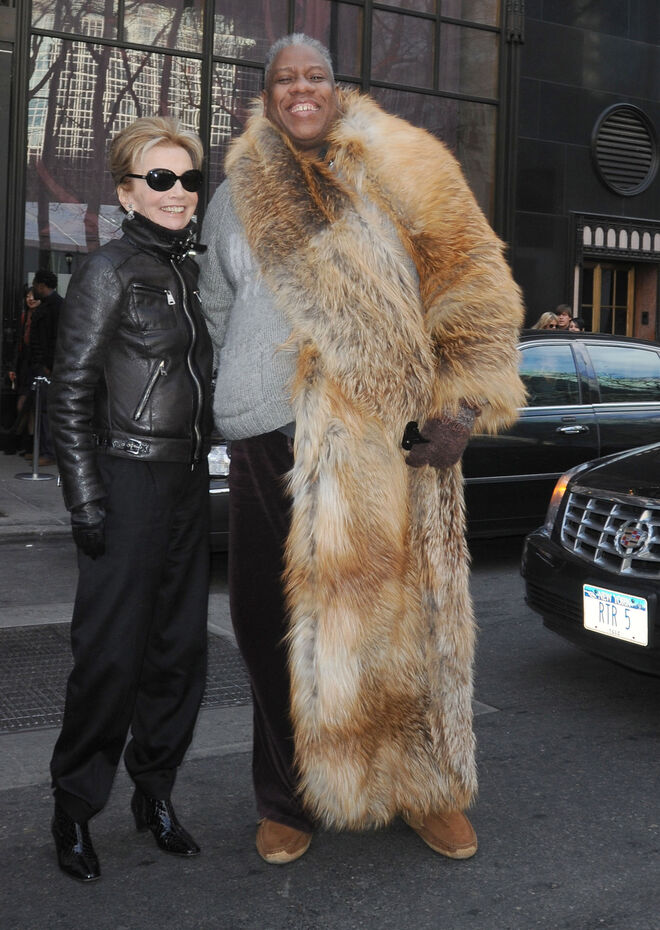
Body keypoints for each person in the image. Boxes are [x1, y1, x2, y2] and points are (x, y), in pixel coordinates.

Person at [198, 33, 525, 865]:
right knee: (271, 629)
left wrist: (460, 405)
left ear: (337, 88)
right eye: (284, 80)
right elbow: (213, 304)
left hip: (386, 440)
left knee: (399, 628)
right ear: (267, 93)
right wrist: (236, 386)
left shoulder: (407, 163)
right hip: (266, 440)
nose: (299, 90)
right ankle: (290, 799)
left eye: (314, 77)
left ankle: (425, 787)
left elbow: (475, 283)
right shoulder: (238, 191)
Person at [48, 116, 213, 882]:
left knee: (178, 658)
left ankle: (155, 796)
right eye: (160, 178)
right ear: (127, 190)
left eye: (187, 179)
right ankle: (74, 810)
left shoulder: (186, 274)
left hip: (184, 486)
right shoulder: (108, 270)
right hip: (125, 482)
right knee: (110, 661)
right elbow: (71, 392)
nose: (178, 193)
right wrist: (85, 501)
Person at [29, 269, 63, 465]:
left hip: (48, 366)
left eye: (36, 285)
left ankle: (48, 451)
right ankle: (41, 449)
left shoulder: (56, 306)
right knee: (41, 409)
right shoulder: (51, 305)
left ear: (42, 285)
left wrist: (50, 364)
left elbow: (55, 338)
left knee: (46, 410)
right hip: (42, 363)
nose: (34, 288)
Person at [5, 286, 41, 455]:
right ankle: (24, 441)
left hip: (36, 366)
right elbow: (17, 346)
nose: (30, 299)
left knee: (29, 405)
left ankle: (25, 442)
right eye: (28, 296)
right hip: (24, 367)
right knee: (24, 405)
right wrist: (13, 368)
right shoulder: (23, 317)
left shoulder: (41, 317)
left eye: (33, 296)